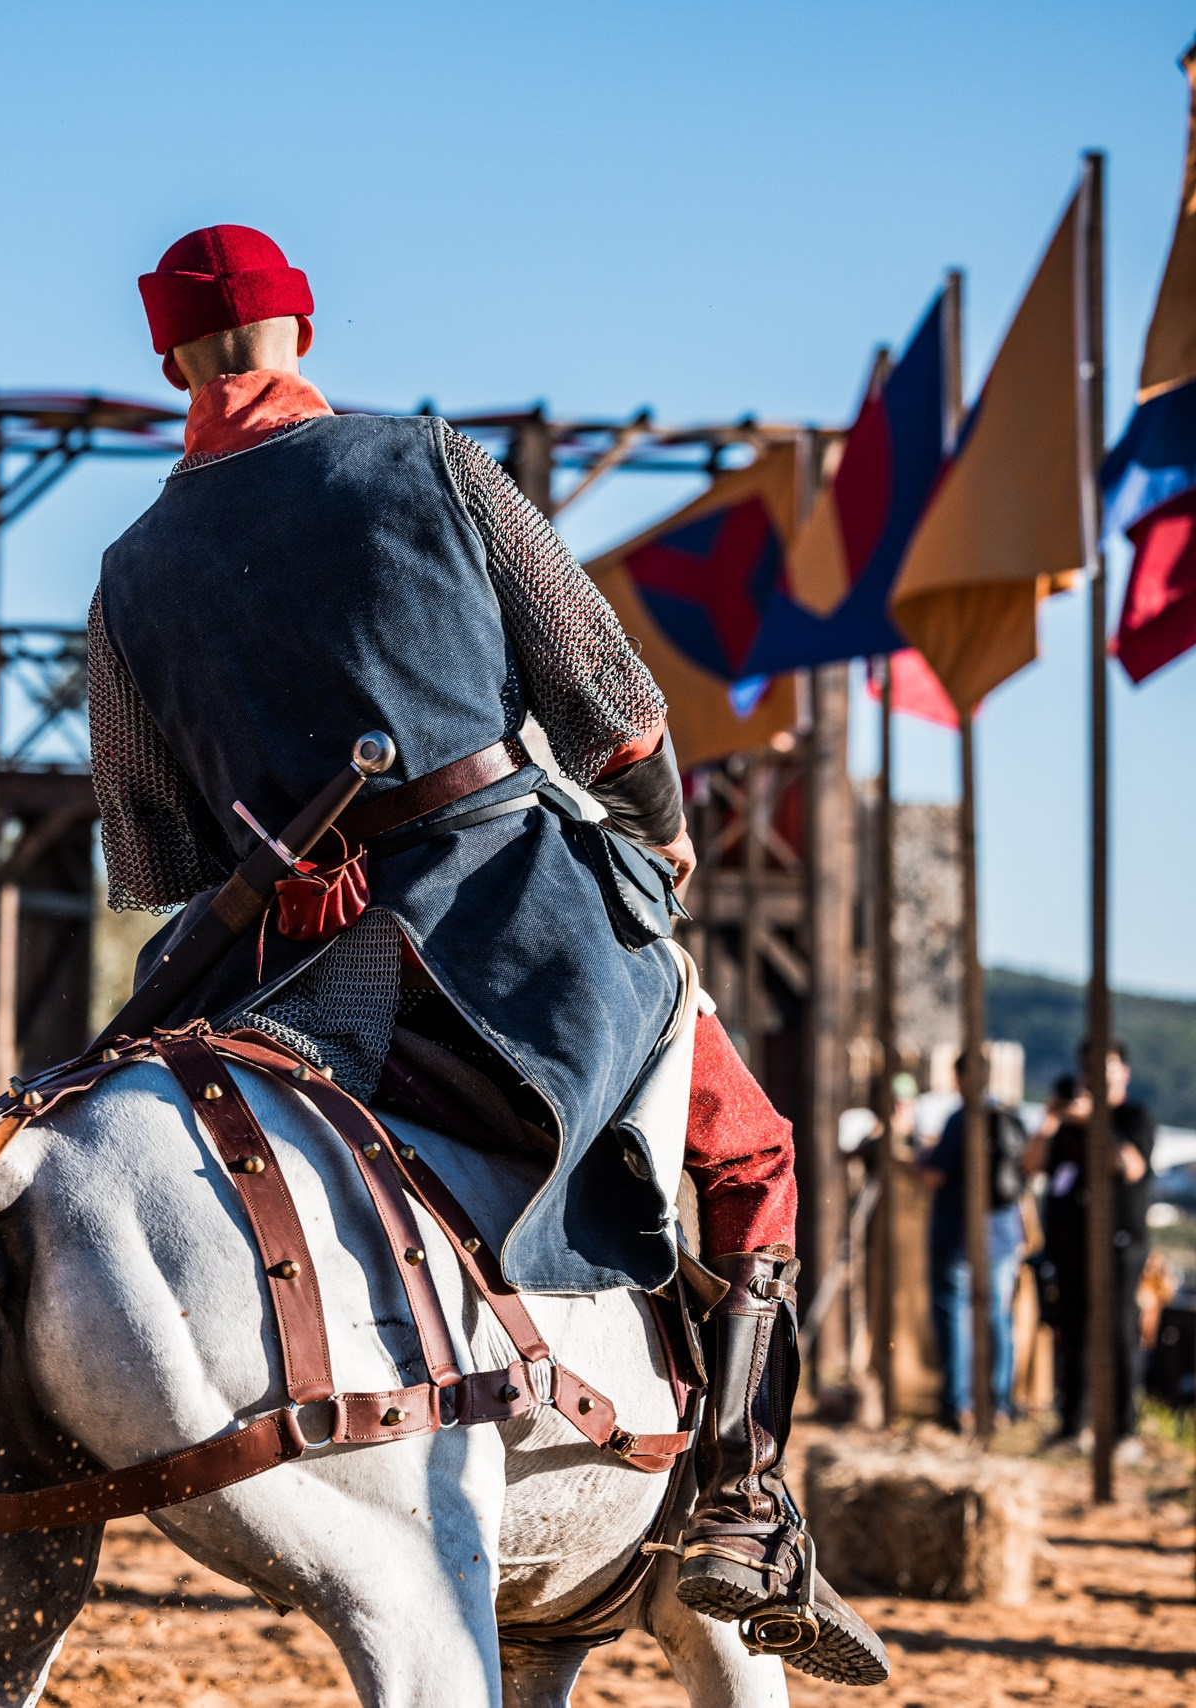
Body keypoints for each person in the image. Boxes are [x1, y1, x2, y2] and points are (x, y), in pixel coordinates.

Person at [85, 224, 878, 1678]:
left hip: (289, 971)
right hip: (509, 917)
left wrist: (291, 867)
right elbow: (608, 694)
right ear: (301, 325)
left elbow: (152, 865)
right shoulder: (432, 463)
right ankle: (748, 1502)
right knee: (752, 1150)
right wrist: (656, 824)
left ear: (166, 355)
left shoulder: (130, 573)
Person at [1027, 1040, 1155, 1448]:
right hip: (1070, 1244)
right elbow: (1031, 1165)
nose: (1095, 1079)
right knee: (1072, 1330)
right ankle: (1072, 1426)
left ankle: (1123, 1430)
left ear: (1124, 1074)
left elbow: (1130, 1166)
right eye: (1088, 1071)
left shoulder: (1133, 1116)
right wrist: (1050, 1119)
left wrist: (1095, 1121)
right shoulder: (1068, 1123)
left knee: (1117, 1331)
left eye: (1106, 1069)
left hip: (1119, 1243)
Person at [915, 1059, 1030, 1431]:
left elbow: (935, 1175)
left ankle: (958, 1405)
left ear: (960, 1077)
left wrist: (919, 1153)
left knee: (953, 1316)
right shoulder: (1009, 1116)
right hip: (1003, 1235)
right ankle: (999, 1405)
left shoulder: (960, 1119)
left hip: (958, 1236)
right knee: (998, 1318)